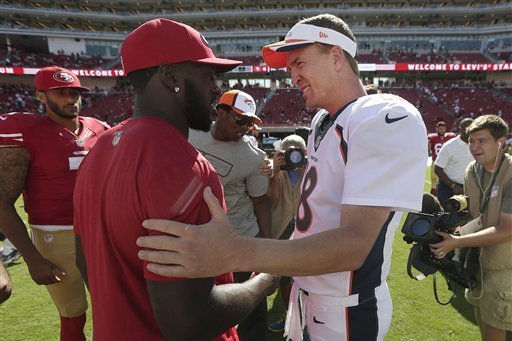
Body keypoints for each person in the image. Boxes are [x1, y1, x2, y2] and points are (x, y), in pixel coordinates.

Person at [136, 14, 428, 341]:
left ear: (336, 57)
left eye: (299, 62)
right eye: (290, 67)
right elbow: (314, 221)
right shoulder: (322, 122)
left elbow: (354, 245)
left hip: (346, 309)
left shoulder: (384, 115)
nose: (293, 77)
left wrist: (235, 251)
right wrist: (272, 272)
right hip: (306, 298)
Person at [73, 18, 277, 341]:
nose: (217, 89)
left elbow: (83, 260)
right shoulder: (182, 164)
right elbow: (188, 322)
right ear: (170, 76)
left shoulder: (97, 152)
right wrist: (262, 281)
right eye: (208, 75)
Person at [0, 66, 110, 340]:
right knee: (73, 314)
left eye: (74, 92)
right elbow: (2, 201)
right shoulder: (26, 131)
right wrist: (32, 258)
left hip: (100, 233)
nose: (70, 98)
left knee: (113, 311)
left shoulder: (99, 129)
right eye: (60, 93)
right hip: (55, 236)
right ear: (41, 96)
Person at [189, 89, 271, 340]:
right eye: (240, 119)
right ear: (220, 112)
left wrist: (265, 250)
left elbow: (260, 203)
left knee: (250, 307)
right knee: (201, 307)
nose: (245, 127)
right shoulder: (190, 133)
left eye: (250, 122)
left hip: (239, 239)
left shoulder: (254, 156)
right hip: (196, 236)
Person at [431, 115, 511, 341]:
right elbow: (474, 216)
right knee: (480, 312)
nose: (474, 147)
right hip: (477, 259)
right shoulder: (471, 170)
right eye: (471, 141)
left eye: (482, 141)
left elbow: (506, 229)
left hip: (505, 265)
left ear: (501, 142)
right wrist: (446, 229)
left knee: (495, 324)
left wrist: (457, 242)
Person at [263, 134, 307, 333]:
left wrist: (307, 172)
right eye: (289, 150)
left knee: (303, 278)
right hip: (281, 230)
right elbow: (270, 201)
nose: (293, 154)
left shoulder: (311, 172)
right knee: (283, 278)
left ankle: (300, 318)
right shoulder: (275, 171)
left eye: (297, 150)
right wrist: (275, 173)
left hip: (304, 231)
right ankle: (291, 316)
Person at [435, 117, 474, 207]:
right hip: (449, 188)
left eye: (471, 127)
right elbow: (438, 169)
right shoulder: (449, 146)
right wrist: (453, 185)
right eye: (466, 127)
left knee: (468, 218)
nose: (469, 130)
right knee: (448, 218)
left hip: (470, 188)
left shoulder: (478, 145)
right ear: (460, 128)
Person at [427, 121, 456, 194]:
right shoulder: (432, 137)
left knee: (448, 179)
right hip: (436, 161)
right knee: (434, 181)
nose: (442, 130)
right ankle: (434, 197)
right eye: (440, 128)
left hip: (447, 162)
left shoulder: (450, 136)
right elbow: (428, 148)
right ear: (437, 129)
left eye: (443, 128)